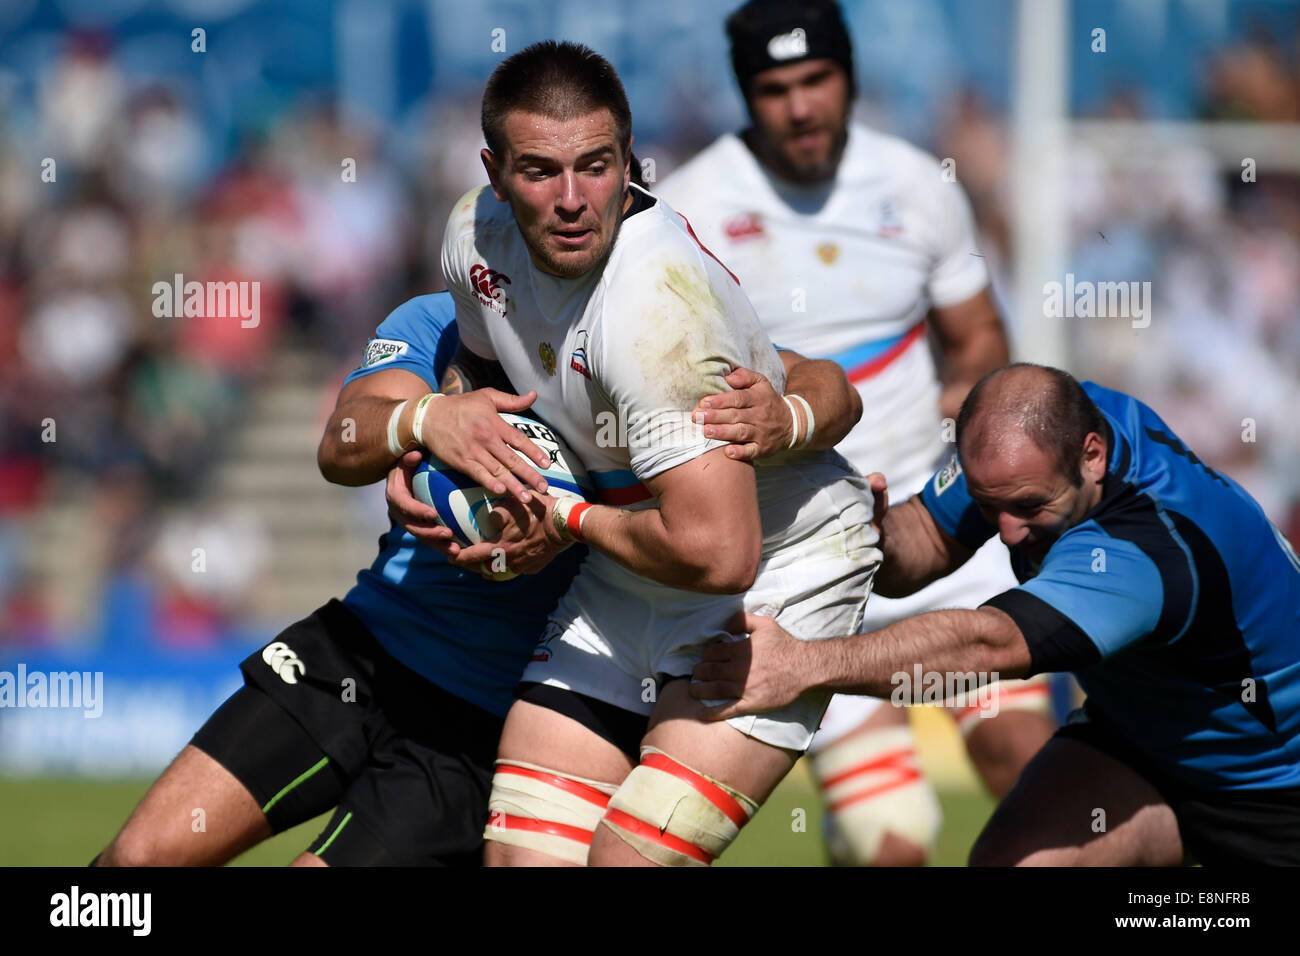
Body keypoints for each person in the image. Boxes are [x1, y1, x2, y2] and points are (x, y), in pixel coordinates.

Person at [416, 39, 879, 867]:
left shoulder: (656, 312)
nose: (570, 199)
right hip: (632, 561)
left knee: (626, 860)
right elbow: (486, 367)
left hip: (773, 567)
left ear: (631, 159)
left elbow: (720, 553)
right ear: (493, 173)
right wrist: (458, 447)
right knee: (523, 861)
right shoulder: (474, 238)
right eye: (538, 172)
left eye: (596, 167)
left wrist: (560, 514)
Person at [656, 0, 1053, 866]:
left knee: (1026, 772)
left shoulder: (919, 185)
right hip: (807, 560)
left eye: (816, 79)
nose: (800, 106)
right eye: (774, 88)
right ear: (746, 96)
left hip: (941, 536)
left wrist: (965, 424)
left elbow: (980, 336)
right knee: (893, 844)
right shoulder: (688, 212)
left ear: (849, 77)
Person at [689, 364, 1300, 866]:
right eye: (989, 508)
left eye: (1028, 509)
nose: (1007, 535)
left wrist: (802, 665)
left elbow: (985, 647)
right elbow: (924, 539)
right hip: (1142, 744)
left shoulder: (1150, 554)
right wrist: (867, 532)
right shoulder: (1042, 441)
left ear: (1092, 456)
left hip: (1275, 795)